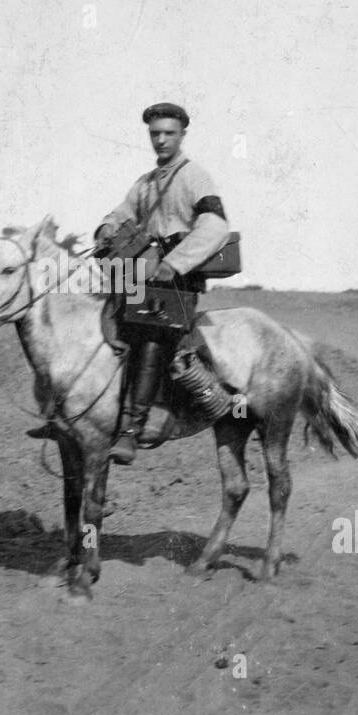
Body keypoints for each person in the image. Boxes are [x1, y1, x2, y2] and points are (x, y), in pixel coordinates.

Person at [93, 102, 232, 465]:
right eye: (155, 133)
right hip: (145, 274)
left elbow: (216, 226)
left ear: (182, 134)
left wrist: (175, 262)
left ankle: (131, 430)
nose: (161, 140)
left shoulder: (195, 177)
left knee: (151, 333)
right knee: (105, 317)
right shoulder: (145, 183)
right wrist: (108, 227)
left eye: (169, 133)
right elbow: (121, 213)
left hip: (179, 277)